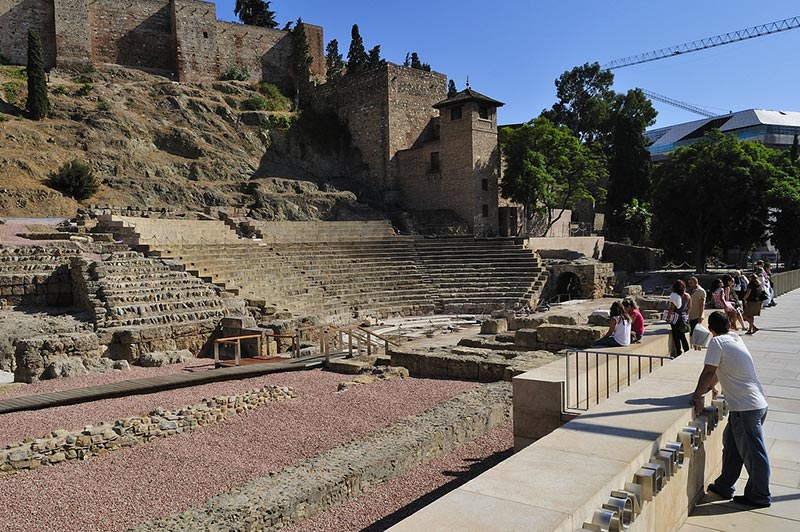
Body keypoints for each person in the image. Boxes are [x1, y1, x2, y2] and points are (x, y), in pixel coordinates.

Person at [692, 311, 771, 508]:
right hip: (753, 405)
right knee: (732, 446)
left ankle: (759, 496)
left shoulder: (717, 342)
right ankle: (724, 485)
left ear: (711, 330)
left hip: (746, 408)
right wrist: (712, 386)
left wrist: (697, 395)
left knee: (754, 455)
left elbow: (709, 370)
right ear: (728, 324)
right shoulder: (734, 338)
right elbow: (723, 368)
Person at [668, 279, 691, 356]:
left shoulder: (675, 296)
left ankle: (678, 351)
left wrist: (668, 317)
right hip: (683, 317)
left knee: (676, 335)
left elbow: (671, 308)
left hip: (675, 318)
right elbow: (690, 307)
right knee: (682, 335)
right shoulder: (687, 296)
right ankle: (686, 349)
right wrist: (686, 314)